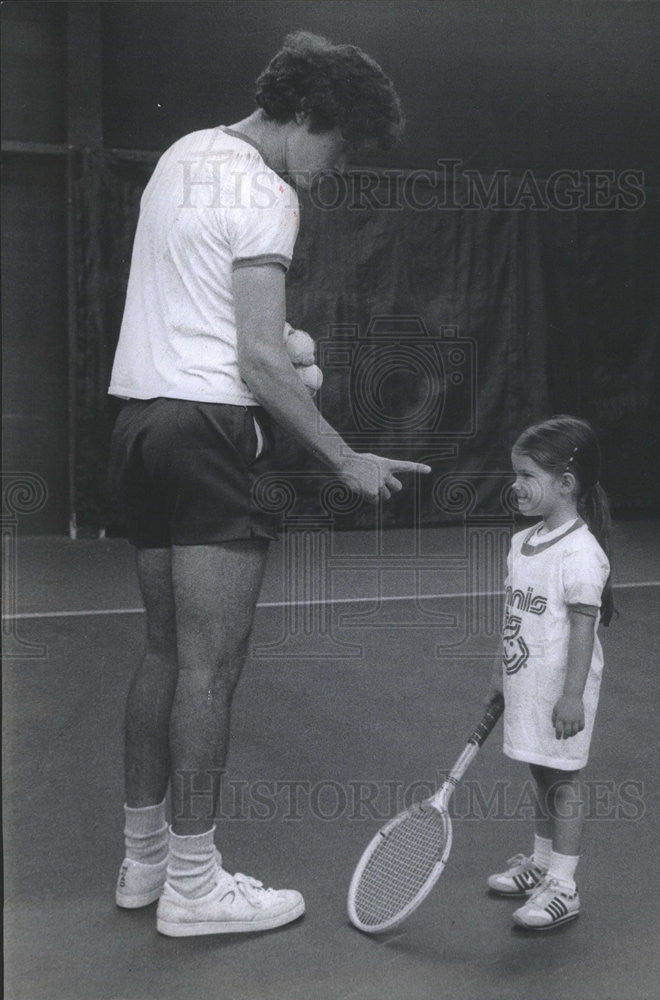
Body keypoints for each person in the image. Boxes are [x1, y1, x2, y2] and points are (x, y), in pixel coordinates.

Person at [108, 31, 430, 938]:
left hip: (139, 425)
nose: (334, 170)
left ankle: (143, 865)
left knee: (164, 654)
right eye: (339, 147)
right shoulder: (267, 192)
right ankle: (196, 886)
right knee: (213, 666)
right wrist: (344, 455)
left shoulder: (184, 157)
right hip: (210, 435)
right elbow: (253, 354)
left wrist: (283, 347)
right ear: (308, 117)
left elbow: (204, 309)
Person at [485, 415, 614, 929]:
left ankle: (564, 884)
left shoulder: (582, 554)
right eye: (515, 473)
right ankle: (540, 865)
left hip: (562, 688)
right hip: (527, 681)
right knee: (539, 771)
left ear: (565, 484)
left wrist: (572, 697)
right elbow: (514, 613)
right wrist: (501, 668)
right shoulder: (522, 544)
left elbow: (583, 631)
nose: (516, 486)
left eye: (527, 476)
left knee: (563, 781)